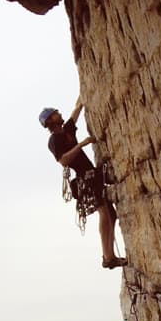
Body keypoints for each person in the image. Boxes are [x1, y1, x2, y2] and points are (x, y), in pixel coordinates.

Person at [40, 100, 127, 269]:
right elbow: (63, 160)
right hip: (85, 179)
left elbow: (76, 110)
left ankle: (110, 256)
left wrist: (83, 97)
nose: (60, 113)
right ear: (50, 121)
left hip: (92, 176)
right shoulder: (54, 140)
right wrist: (81, 144)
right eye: (56, 113)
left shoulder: (66, 132)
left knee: (111, 214)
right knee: (104, 212)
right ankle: (108, 257)